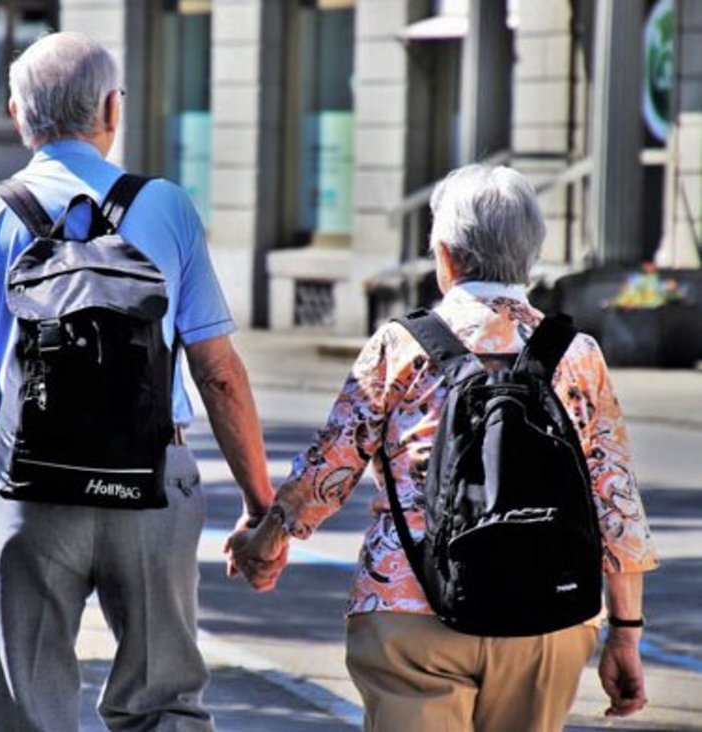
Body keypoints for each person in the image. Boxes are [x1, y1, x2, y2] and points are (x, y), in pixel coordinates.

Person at [0, 31, 284, 732]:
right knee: (163, 701)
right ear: (113, 109)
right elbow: (219, 374)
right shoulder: (166, 208)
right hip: (151, 487)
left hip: (28, 492)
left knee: (27, 709)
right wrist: (263, 509)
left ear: (18, 115)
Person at [228, 164, 659, 731]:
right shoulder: (577, 354)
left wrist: (267, 538)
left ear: (447, 255)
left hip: (411, 608)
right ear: (530, 255)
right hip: (547, 617)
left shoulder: (401, 346)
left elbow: (329, 468)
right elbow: (616, 502)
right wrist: (625, 633)